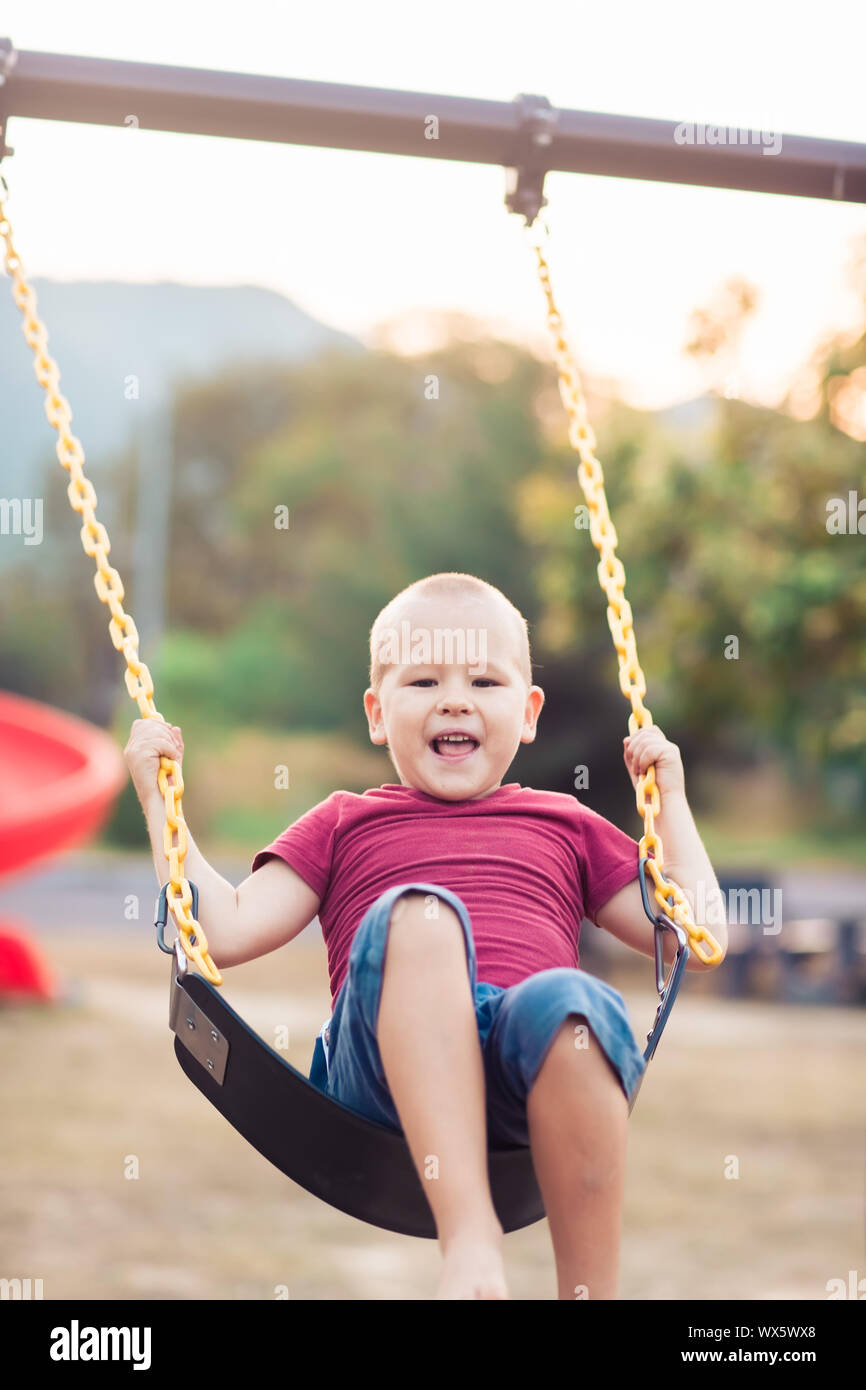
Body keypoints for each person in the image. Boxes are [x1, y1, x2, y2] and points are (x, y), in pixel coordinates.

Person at [124, 570, 727, 1301]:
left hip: (518, 1066)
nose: (454, 699)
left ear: (528, 712)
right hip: (381, 1072)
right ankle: (470, 1243)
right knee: (423, 915)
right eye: (423, 682)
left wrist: (672, 805)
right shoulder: (345, 822)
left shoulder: (565, 825)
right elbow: (217, 932)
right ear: (378, 714)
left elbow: (695, 938)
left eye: (484, 680)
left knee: (577, 1005)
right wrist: (161, 803)